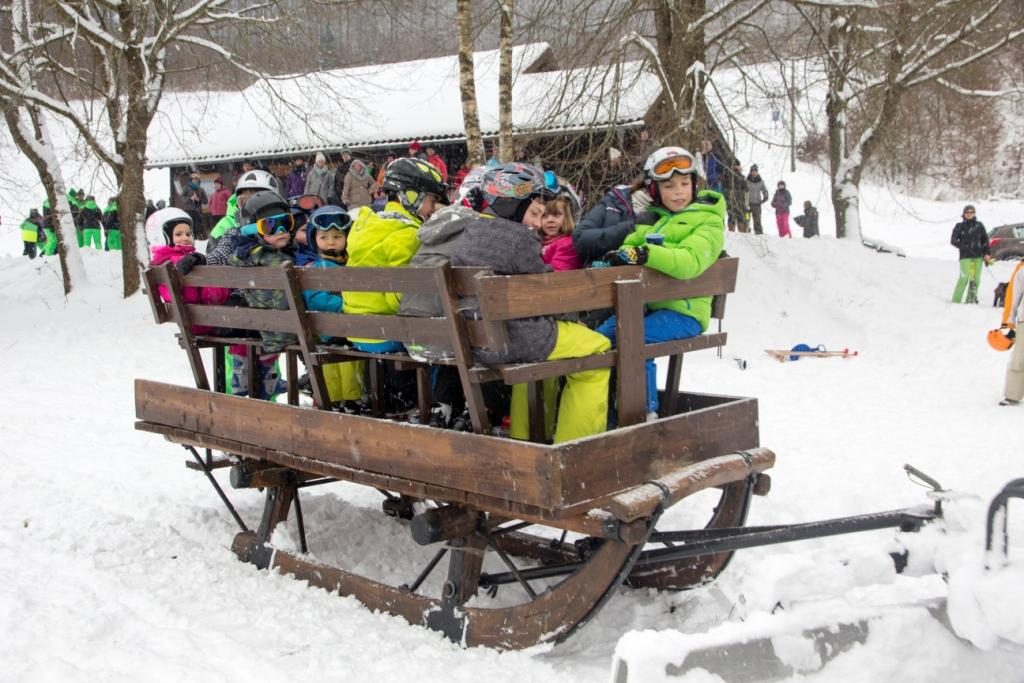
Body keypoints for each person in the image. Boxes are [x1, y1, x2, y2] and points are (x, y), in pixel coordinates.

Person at [450, 162, 610, 443]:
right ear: (512, 205)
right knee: (598, 349)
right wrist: (576, 311)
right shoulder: (518, 239)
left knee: (540, 359)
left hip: (481, 343)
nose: (537, 223)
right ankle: (576, 445)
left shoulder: (468, 235)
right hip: (519, 340)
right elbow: (545, 293)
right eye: (534, 213)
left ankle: (526, 437)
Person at [595, 146, 725, 421]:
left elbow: (690, 260)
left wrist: (646, 254)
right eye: (669, 186)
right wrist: (614, 258)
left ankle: (643, 413)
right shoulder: (652, 220)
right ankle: (604, 414)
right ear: (655, 190)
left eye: (684, 184)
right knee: (598, 341)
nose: (678, 191)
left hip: (685, 312)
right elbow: (630, 245)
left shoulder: (707, 222)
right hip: (646, 308)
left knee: (632, 338)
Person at [226, 190, 298, 398]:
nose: (281, 230)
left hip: (260, 328)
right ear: (252, 231)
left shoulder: (245, 255)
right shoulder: (277, 261)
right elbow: (284, 303)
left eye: (286, 222)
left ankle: (256, 387)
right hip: (279, 333)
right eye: (270, 226)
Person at [299, 205, 365, 411]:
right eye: (324, 237)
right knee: (334, 365)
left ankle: (351, 398)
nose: (331, 242)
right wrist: (346, 305)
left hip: (348, 330)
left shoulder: (352, 265)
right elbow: (316, 298)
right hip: (328, 330)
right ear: (314, 239)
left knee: (350, 363)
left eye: (337, 237)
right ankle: (334, 399)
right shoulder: (315, 268)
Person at [145, 207, 230, 333]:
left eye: (188, 234)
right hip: (205, 320)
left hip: (194, 319)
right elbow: (205, 296)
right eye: (178, 234)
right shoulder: (178, 264)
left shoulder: (161, 264)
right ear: (162, 237)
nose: (185, 237)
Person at [206, 168, 279, 259]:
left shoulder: (282, 222)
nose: (249, 208)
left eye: (258, 201)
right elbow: (217, 261)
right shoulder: (226, 227)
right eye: (243, 201)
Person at [572, 181, 646, 267]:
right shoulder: (614, 201)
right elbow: (580, 239)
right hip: (602, 273)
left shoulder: (662, 210)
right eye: (665, 186)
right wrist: (631, 228)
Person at [950, 204, 991, 304]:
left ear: (974, 214)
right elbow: (953, 240)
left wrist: (987, 253)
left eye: (971, 212)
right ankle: (956, 300)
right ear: (964, 214)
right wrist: (964, 246)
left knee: (976, 279)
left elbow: (985, 240)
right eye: (967, 212)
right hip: (965, 256)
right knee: (964, 277)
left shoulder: (979, 225)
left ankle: (971, 299)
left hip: (978, 256)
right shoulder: (959, 226)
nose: (969, 214)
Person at [998, 258, 1024, 406]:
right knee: (1019, 358)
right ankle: (1012, 395)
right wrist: (1009, 322)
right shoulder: (1022, 271)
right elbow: (1013, 299)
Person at [539, 195, 582, 271]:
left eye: (556, 215)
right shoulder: (539, 241)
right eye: (544, 215)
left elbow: (557, 275)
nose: (550, 220)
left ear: (566, 218)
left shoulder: (567, 244)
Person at [721, 160, 749, 232]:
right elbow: (746, 189)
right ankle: (740, 232)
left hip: (734, 199)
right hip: (736, 199)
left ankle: (734, 232)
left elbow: (746, 189)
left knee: (733, 216)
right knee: (737, 216)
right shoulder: (734, 175)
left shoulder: (727, 175)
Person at [183, 172, 208, 239]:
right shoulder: (186, 188)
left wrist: (198, 199)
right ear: (191, 180)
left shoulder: (201, 189)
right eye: (193, 179)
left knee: (198, 229)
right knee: (189, 227)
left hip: (197, 211)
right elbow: (183, 198)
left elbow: (205, 201)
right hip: (188, 211)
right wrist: (190, 198)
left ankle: (198, 241)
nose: (195, 181)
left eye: (196, 180)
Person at [746, 164, 769, 235]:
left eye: (755, 171)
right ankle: (746, 232)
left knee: (757, 220)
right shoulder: (746, 181)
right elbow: (743, 190)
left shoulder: (761, 181)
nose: (754, 172)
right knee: (747, 219)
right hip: (747, 204)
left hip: (757, 204)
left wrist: (765, 196)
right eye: (752, 171)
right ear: (750, 172)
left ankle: (759, 234)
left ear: (757, 172)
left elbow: (764, 190)